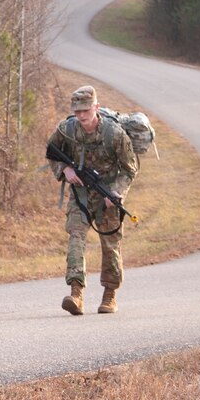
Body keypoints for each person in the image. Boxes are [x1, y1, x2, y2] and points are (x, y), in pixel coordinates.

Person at [46, 85, 138, 316]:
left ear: (96, 107)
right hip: (81, 194)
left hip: (108, 195)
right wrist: (64, 169)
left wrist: (117, 192)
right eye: (77, 111)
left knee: (110, 245)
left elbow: (129, 169)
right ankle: (75, 293)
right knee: (76, 238)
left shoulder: (114, 134)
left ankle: (110, 295)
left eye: (85, 110)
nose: (81, 116)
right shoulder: (66, 129)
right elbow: (51, 151)